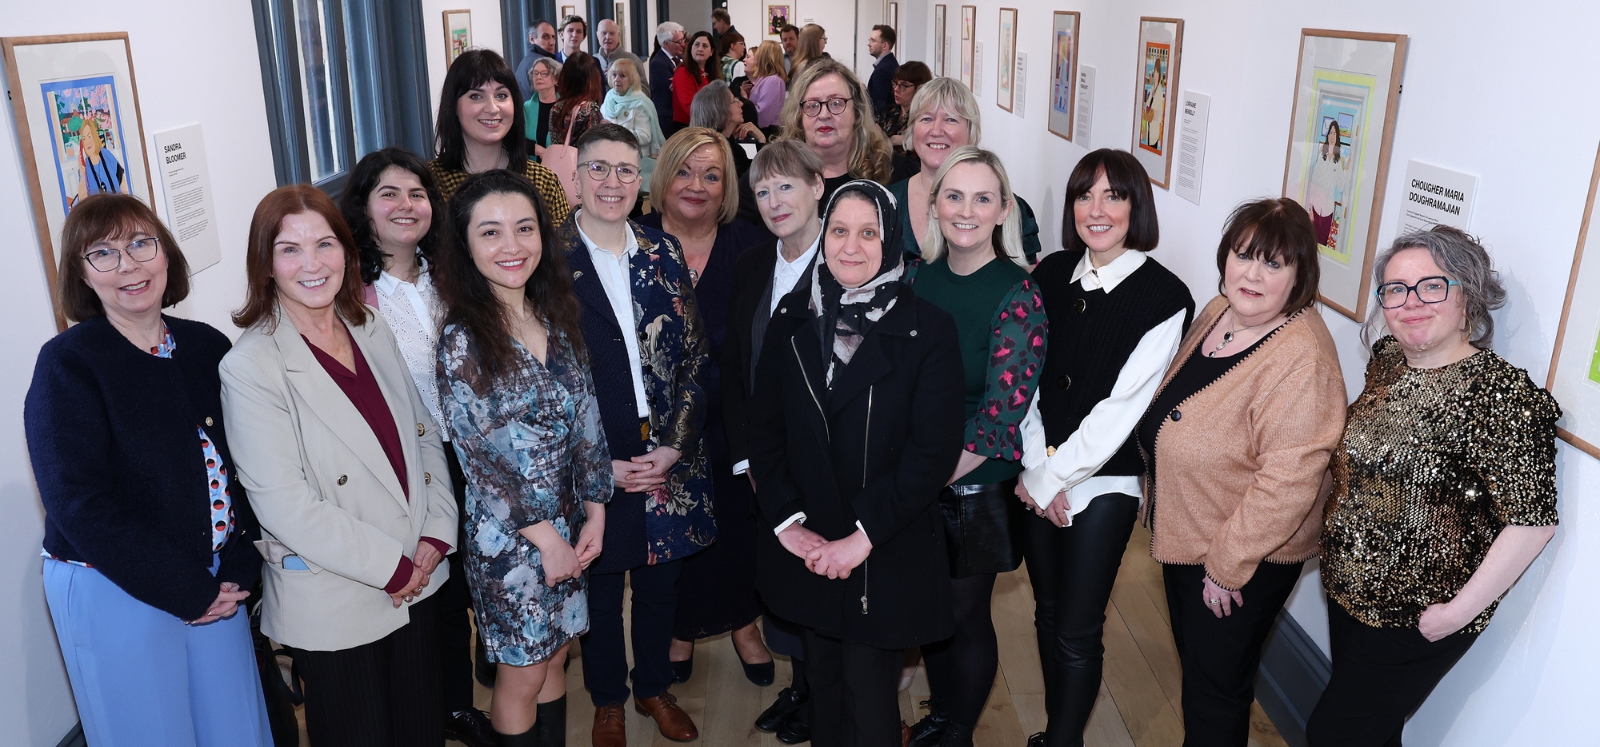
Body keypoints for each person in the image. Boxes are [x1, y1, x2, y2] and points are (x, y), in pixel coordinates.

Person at [26, 193, 272, 747]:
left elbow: (244, 464)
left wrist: (237, 562)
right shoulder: (68, 363)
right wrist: (187, 590)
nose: (129, 266)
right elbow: (77, 503)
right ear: (82, 276)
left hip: (215, 580)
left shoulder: (205, 345)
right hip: (112, 584)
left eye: (141, 243)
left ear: (166, 254)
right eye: (104, 254)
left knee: (235, 731)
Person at [221, 185, 459, 747]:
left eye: (325, 244)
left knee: (422, 731)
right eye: (290, 249)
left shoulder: (369, 326)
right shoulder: (251, 366)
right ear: (265, 263)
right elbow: (283, 503)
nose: (312, 264)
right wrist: (394, 567)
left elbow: (424, 432)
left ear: (348, 253)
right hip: (340, 597)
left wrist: (437, 529)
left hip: (419, 576)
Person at [1306, 227, 1560, 747]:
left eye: (1431, 286)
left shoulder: (1500, 394)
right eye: (1395, 290)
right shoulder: (1388, 361)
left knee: (1336, 733)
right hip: (1347, 592)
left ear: (1466, 292)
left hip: (1417, 615)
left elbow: (1533, 522)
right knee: (1368, 732)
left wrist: (1454, 615)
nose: (1411, 303)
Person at [749, 179, 964, 746]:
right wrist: (789, 522)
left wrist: (862, 536)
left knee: (869, 703)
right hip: (811, 547)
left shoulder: (929, 330)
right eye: (839, 230)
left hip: (883, 550)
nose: (851, 246)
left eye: (868, 233)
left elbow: (932, 453)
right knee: (823, 689)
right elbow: (764, 431)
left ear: (891, 240)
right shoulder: (793, 317)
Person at [1135, 198, 1346, 747]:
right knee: (1204, 678)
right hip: (1191, 533)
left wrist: (1228, 564)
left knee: (1216, 694)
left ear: (1300, 275)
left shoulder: (1303, 358)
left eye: (1274, 263)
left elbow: (1291, 479)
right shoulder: (1220, 312)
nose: (1251, 273)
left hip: (1238, 556)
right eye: (1243, 254)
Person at [1013, 149, 1193, 747]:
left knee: (1076, 630)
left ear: (1135, 207)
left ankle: (1063, 742)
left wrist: (1052, 479)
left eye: (1114, 196)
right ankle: (1052, 731)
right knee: (1045, 612)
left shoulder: (1165, 296)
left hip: (1105, 482)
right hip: (1038, 469)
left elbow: (1122, 412)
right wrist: (1038, 467)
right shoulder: (1049, 275)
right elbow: (1026, 379)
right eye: (1084, 195)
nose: (1097, 209)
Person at [431, 169, 611, 747]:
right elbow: (481, 461)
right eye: (491, 233)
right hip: (511, 539)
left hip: (569, 520)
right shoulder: (462, 338)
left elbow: (587, 416)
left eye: (524, 229)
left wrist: (597, 507)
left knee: (558, 656)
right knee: (523, 672)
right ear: (466, 246)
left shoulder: (555, 314)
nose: (511, 246)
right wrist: (548, 539)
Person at [560, 123, 713, 747]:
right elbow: (542, 387)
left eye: (626, 170)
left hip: (667, 456)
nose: (613, 182)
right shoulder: (544, 262)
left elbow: (697, 356)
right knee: (599, 587)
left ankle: (652, 684)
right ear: (577, 177)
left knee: (659, 581)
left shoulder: (663, 251)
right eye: (599, 168)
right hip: (594, 460)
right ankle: (607, 699)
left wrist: (675, 444)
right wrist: (599, 467)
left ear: (641, 178)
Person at [338, 148, 495, 747]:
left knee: (459, 591)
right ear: (364, 207)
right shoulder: (347, 290)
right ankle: (418, 710)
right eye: (390, 194)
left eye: (418, 194)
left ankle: (456, 704)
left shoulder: (454, 274)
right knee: (422, 590)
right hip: (400, 467)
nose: (407, 206)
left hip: (469, 456)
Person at [902, 147, 1045, 747]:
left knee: (964, 612)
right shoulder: (917, 277)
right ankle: (941, 714)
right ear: (934, 205)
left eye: (982, 197)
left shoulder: (1019, 295)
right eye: (954, 196)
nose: (966, 210)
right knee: (931, 610)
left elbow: (999, 417)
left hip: (973, 480)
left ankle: (957, 729)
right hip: (916, 472)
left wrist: (926, 478)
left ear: (1003, 210)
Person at [633, 127, 771, 689]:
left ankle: (743, 623)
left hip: (736, 417)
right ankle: (680, 628)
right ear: (663, 178)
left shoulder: (754, 245)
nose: (697, 185)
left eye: (712, 175)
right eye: (685, 171)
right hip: (656, 425)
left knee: (739, 528)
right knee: (670, 535)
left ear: (728, 187)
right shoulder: (630, 242)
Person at [727, 141, 828, 743]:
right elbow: (738, 372)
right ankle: (802, 687)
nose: (773, 201)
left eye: (786, 186)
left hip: (828, 462)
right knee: (787, 583)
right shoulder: (752, 266)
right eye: (762, 191)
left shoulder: (846, 260)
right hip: (766, 461)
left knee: (822, 582)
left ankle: (822, 694)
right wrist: (748, 460)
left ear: (818, 187)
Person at [888, 78, 1043, 264]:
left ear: (971, 131)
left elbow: (1028, 284)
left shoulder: (1011, 211)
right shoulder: (888, 203)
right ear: (912, 130)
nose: (936, 130)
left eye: (951, 119)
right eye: (926, 118)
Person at [429, 50, 572, 227]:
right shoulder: (430, 183)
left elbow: (564, 251)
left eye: (501, 96)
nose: (492, 108)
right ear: (454, 107)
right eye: (476, 96)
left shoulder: (544, 182)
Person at [779, 57, 893, 199]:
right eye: (813, 105)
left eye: (836, 103)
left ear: (857, 111)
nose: (824, 115)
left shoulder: (890, 170)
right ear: (799, 115)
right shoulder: (775, 170)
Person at [602, 58, 666, 192]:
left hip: (632, 162)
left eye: (622, 76)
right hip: (609, 159)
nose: (617, 79)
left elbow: (645, 136)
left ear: (632, 79)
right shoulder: (609, 98)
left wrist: (615, 129)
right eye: (614, 75)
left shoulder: (641, 103)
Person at [690, 81, 766, 178]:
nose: (741, 103)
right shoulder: (711, 153)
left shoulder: (732, 147)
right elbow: (753, 179)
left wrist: (760, 138)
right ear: (720, 110)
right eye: (734, 101)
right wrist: (761, 139)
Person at [550, 52, 606, 150]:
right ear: (592, 78)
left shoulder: (556, 107)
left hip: (560, 162)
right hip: (582, 163)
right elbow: (594, 147)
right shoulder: (589, 108)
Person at [70, 118, 127, 205]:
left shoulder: (106, 154)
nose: (87, 142)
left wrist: (125, 203)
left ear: (95, 136)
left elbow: (121, 180)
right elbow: (83, 201)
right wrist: (82, 175)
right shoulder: (85, 166)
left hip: (117, 207)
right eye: (84, 139)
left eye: (89, 136)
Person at [673, 31, 721, 128]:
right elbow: (689, 107)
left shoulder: (711, 73)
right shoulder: (683, 73)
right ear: (690, 48)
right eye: (696, 45)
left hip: (709, 124)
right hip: (689, 127)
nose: (700, 49)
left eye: (705, 46)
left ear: (711, 52)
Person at [878, 61, 930, 148]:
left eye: (903, 85)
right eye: (895, 84)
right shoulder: (888, 111)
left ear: (919, 88)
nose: (896, 89)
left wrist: (898, 140)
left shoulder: (923, 117)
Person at [649, 22, 687, 137]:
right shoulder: (658, 63)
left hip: (678, 117)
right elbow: (674, 88)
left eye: (683, 39)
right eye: (679, 42)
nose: (683, 44)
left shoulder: (679, 59)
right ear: (666, 44)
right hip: (667, 119)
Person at [524, 57, 563, 162]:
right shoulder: (525, 108)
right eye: (535, 73)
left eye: (544, 73)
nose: (538, 77)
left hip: (560, 167)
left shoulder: (566, 107)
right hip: (532, 169)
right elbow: (516, 140)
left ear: (556, 79)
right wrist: (538, 150)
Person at [514, 21, 558, 102]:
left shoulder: (525, 61)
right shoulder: (540, 64)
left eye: (553, 37)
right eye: (545, 37)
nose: (552, 42)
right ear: (532, 39)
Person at [748, 41, 788, 129]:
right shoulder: (763, 78)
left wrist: (746, 101)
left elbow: (763, 116)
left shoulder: (773, 81)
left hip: (768, 131)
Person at [594, 18, 645, 83]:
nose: (608, 37)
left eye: (612, 33)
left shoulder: (632, 60)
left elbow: (644, 90)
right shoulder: (592, 61)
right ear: (597, 35)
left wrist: (618, 78)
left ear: (618, 36)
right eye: (604, 33)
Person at [865, 25, 899, 115]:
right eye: (870, 40)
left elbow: (878, 105)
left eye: (873, 41)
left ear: (884, 45)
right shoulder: (889, 63)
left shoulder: (883, 70)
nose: (869, 44)